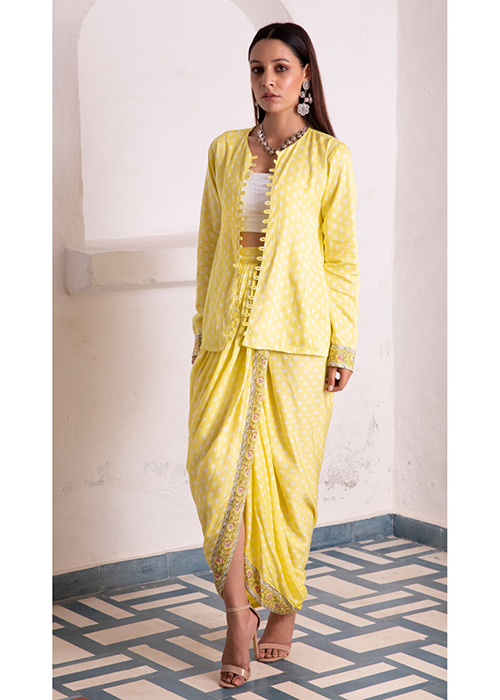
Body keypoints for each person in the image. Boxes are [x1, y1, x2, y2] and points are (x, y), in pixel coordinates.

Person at [186, 22, 359, 689]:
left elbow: (340, 261)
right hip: (226, 338)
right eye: (257, 69)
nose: (267, 81)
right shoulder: (226, 150)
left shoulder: (329, 158)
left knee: (289, 479)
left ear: (306, 75)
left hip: (299, 340)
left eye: (281, 68)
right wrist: (201, 329)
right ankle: (238, 615)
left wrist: (342, 344)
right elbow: (210, 245)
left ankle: (283, 605)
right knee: (212, 470)